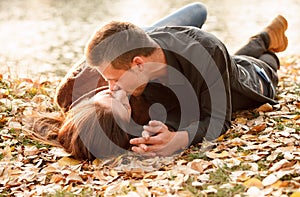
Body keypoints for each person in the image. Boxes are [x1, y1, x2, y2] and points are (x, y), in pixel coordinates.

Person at [84, 14, 288, 157]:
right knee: (229, 61)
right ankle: (263, 38)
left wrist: (179, 139)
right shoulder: (141, 57)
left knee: (264, 66)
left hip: (252, 80)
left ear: (138, 64)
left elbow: (218, 120)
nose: (111, 87)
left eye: (114, 79)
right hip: (221, 67)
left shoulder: (205, 50)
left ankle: (267, 48)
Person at [30, 3, 208, 160]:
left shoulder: (71, 90)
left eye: (109, 94)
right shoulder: (145, 116)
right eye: (124, 106)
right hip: (148, 65)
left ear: (87, 101)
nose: (118, 92)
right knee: (222, 62)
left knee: (198, 10)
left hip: (132, 44)